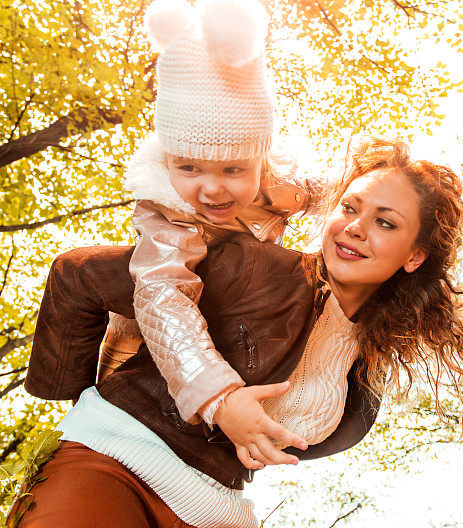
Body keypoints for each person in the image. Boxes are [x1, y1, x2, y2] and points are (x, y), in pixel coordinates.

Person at [13, 138, 463, 528]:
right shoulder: (257, 267)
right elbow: (76, 275)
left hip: (218, 511)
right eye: (349, 207)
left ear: (415, 257)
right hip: (112, 463)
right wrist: (74, 397)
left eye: (385, 222)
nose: (354, 228)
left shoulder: (360, 398)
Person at [109, 0, 324, 468]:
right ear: (167, 162)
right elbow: (163, 296)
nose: (211, 188)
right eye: (189, 167)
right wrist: (219, 397)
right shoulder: (168, 210)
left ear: (261, 161)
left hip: (241, 311)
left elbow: (336, 195)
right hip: (151, 354)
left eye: (233, 168)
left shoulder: (284, 184)